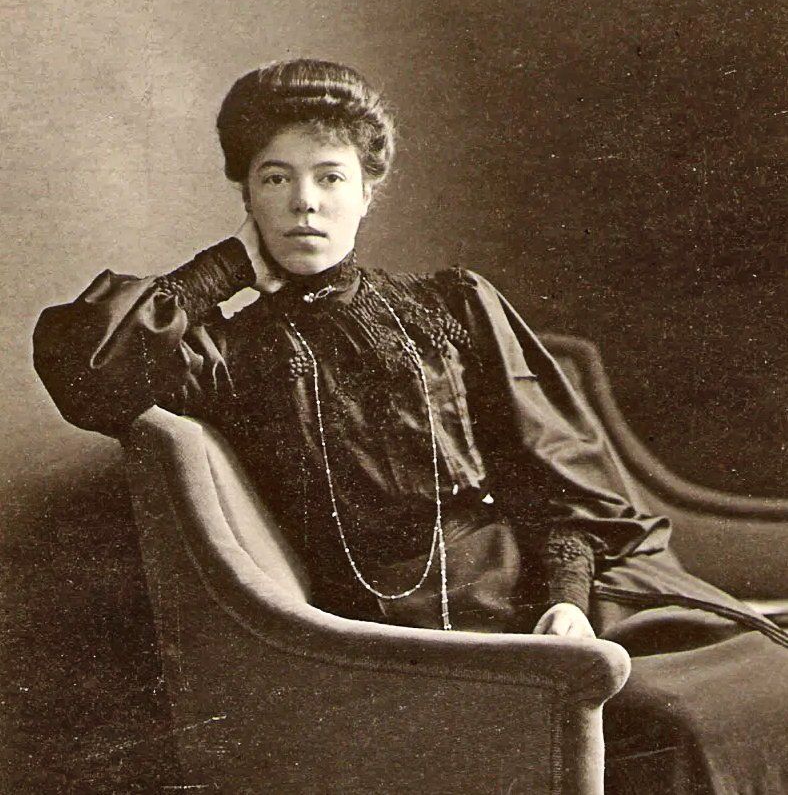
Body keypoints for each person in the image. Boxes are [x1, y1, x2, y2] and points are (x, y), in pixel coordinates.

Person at [33, 59, 788, 792]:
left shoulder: (452, 304)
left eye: (330, 177)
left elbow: (555, 474)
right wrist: (227, 265)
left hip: (553, 598)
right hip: (400, 638)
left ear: (368, 193)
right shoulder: (229, 353)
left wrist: (566, 598)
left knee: (759, 678)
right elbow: (85, 364)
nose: (305, 203)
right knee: (675, 725)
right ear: (248, 198)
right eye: (276, 179)